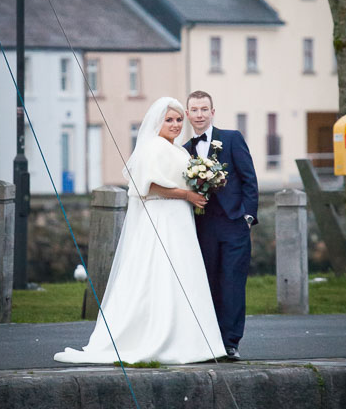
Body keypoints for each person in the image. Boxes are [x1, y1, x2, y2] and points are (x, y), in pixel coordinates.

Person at [54, 97, 226, 365]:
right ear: (157, 122)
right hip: (162, 216)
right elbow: (148, 186)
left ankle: (189, 339)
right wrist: (187, 195)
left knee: (183, 272)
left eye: (179, 119)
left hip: (180, 218)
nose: (176, 124)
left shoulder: (179, 151)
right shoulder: (152, 148)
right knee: (159, 272)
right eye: (169, 119)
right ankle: (156, 335)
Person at [185, 91, 258, 361]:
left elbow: (249, 178)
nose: (200, 114)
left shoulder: (231, 138)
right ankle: (211, 341)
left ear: (212, 112)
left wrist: (248, 217)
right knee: (208, 284)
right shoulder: (184, 151)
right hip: (203, 228)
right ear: (188, 114)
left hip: (234, 224)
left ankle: (230, 343)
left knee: (233, 284)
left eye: (205, 109)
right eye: (195, 110)